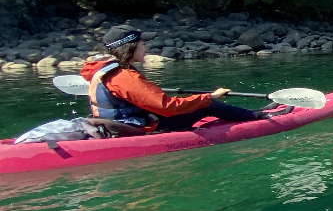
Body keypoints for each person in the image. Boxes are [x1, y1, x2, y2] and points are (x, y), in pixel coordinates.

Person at [79, 25, 274, 133]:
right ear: (130, 47)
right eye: (142, 43)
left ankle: (251, 113)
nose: (146, 47)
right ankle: (257, 117)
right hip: (133, 128)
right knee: (206, 106)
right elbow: (167, 106)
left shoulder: (104, 69)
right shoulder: (123, 76)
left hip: (118, 123)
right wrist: (210, 97)